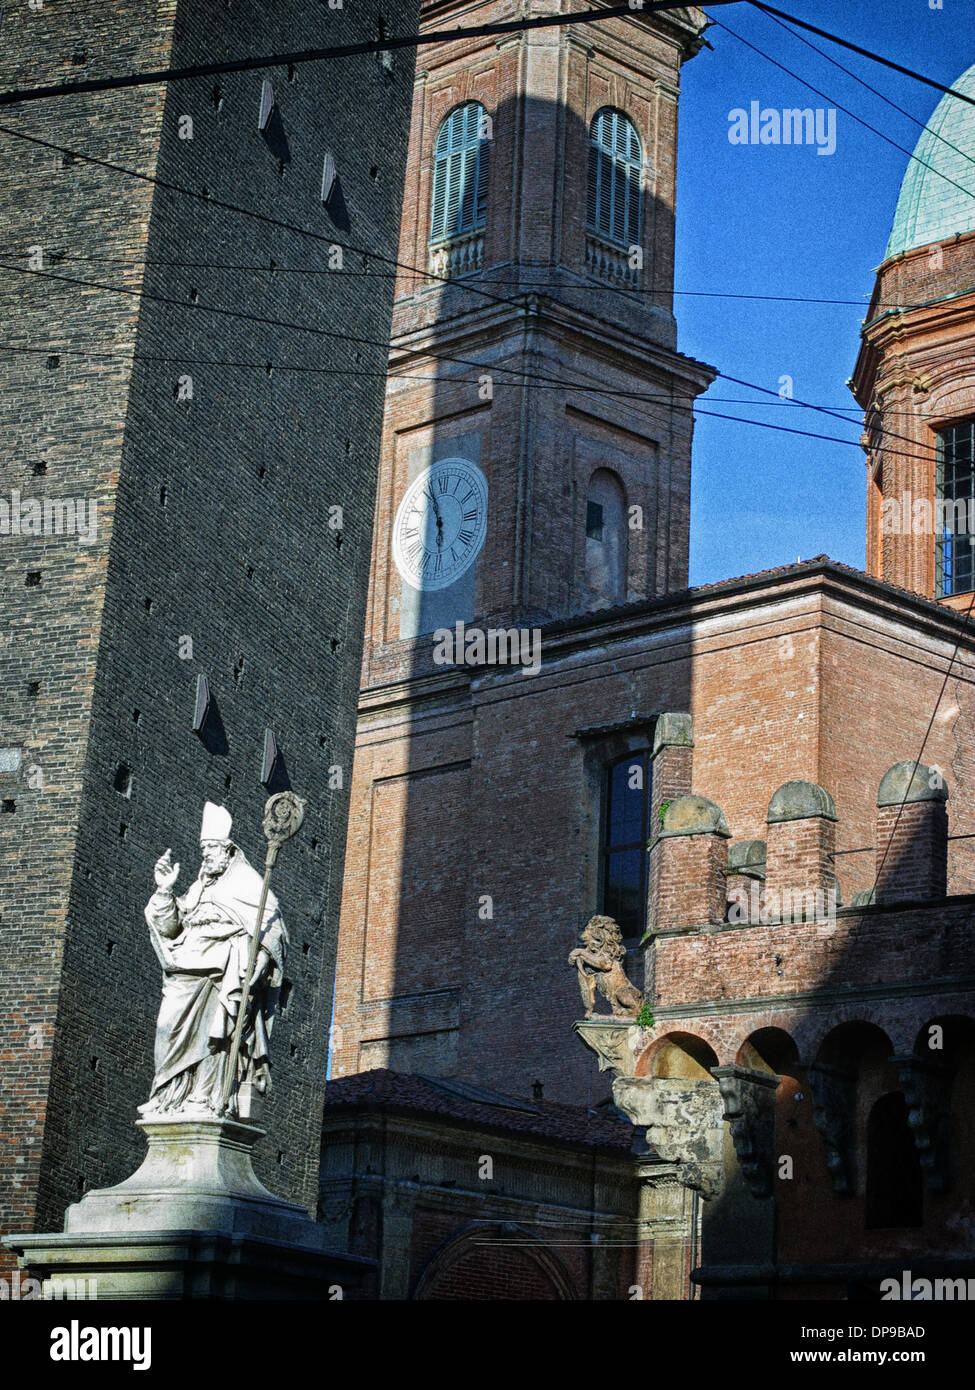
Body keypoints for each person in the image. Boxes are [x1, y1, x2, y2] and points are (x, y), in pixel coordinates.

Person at [141, 801, 287, 1119]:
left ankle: (204, 1098)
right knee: (166, 1027)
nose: (205, 854)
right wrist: (164, 892)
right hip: (184, 971)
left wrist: (261, 957)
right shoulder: (198, 888)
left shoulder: (249, 883)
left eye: (211, 847)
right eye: (203, 848)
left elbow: (273, 930)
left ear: (228, 850)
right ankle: (169, 1094)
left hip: (223, 972)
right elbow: (170, 928)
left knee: (216, 1035)